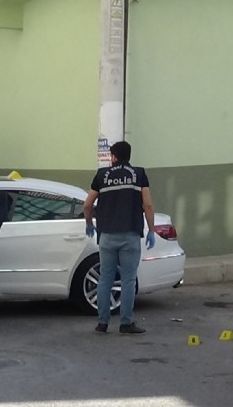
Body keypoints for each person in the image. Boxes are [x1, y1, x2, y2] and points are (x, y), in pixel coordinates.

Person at [83, 141, 156, 335]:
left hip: (107, 235)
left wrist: (89, 224)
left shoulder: (102, 175)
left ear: (113, 156)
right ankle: (126, 323)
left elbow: (88, 205)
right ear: (128, 155)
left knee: (105, 279)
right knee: (128, 280)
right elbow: (148, 205)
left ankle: (102, 323)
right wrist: (151, 230)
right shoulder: (138, 174)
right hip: (130, 235)